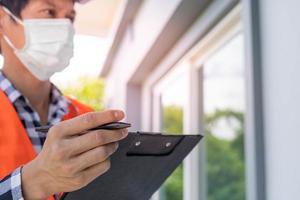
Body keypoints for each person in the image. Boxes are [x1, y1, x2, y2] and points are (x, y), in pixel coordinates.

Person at [0, 0, 128, 199]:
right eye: (49, 12)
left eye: (70, 17)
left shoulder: (88, 119)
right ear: (2, 18)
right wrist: (32, 183)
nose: (65, 27)